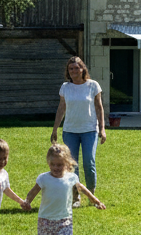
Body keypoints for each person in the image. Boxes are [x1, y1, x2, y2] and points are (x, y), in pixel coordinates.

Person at [50, 56, 106, 208]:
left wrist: (102, 128)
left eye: (76, 68)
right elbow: (61, 108)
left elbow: (99, 108)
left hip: (89, 130)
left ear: (83, 69)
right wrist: (55, 129)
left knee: (89, 162)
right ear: (68, 71)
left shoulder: (93, 85)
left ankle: (92, 195)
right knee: (71, 165)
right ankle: (76, 197)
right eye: (71, 69)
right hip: (70, 130)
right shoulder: (65, 87)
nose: (74, 71)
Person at [25, 144, 105, 235]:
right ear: (48, 162)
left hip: (65, 219)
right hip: (45, 220)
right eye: (53, 164)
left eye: (59, 165)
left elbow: (83, 189)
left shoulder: (71, 178)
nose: (56, 167)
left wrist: (96, 201)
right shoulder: (43, 178)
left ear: (67, 163)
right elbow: (33, 191)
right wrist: (27, 202)